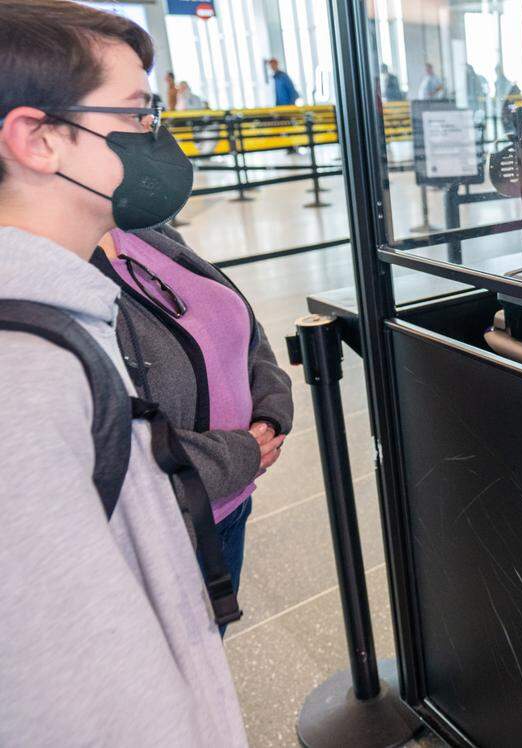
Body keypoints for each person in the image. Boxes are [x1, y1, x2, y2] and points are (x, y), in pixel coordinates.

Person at [0, 1, 247, 743]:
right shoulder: (23, 374)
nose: (155, 139)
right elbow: (69, 691)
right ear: (39, 139)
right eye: (139, 115)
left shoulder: (67, 305)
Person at [90, 222, 293, 636]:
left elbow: (234, 320)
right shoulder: (47, 284)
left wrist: (271, 409)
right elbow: (106, 445)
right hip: (168, 534)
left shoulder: (144, 231)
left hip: (229, 506)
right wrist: (236, 456)